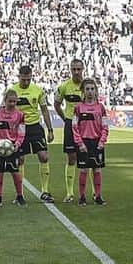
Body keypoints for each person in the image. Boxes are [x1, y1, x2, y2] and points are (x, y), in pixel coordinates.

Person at [6, 63, 55, 203]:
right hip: (18, 128)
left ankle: (45, 191)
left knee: (44, 156)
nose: (26, 82)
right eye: (23, 79)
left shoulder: (38, 90)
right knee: (20, 159)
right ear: (19, 77)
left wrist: (50, 130)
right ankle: (19, 194)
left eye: (29, 79)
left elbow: (45, 110)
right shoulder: (11, 91)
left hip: (35, 127)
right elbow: (5, 111)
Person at [71, 77, 109, 206]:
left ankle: (98, 196)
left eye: (92, 89)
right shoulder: (78, 108)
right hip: (84, 142)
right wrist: (79, 143)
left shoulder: (101, 108)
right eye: (87, 89)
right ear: (83, 91)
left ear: (96, 91)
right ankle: (82, 197)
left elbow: (105, 126)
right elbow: (74, 127)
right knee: (83, 170)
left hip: (97, 142)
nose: (90, 91)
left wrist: (102, 141)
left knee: (97, 169)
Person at [55, 59, 87, 203]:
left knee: (88, 159)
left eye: (78, 69)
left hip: (86, 124)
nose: (76, 72)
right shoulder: (64, 86)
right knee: (71, 158)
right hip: (70, 123)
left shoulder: (88, 86)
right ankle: (69, 193)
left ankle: (91, 193)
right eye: (73, 69)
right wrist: (65, 119)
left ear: (83, 69)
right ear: (70, 69)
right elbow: (57, 104)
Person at [0, 88, 26, 207]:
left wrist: (17, 145)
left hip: (12, 148)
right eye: (10, 101)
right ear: (5, 101)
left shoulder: (20, 115)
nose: (12, 104)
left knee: (15, 172)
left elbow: (21, 133)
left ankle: (20, 196)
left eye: (15, 102)